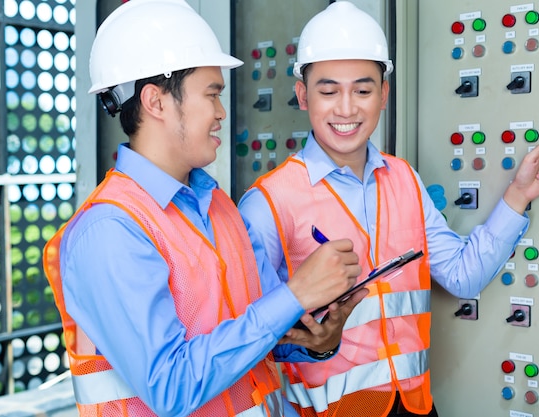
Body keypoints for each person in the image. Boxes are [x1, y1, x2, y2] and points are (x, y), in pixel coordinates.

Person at [237, 2, 539, 417]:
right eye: (328, 91)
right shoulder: (268, 202)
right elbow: (252, 340)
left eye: (363, 90)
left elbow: (462, 276)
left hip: (415, 407)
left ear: (384, 94)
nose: (346, 108)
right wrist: (315, 342)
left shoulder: (404, 180)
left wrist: (518, 197)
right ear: (301, 94)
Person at [42, 1, 365, 416]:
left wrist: (318, 338)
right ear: (156, 102)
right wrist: (295, 293)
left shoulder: (220, 208)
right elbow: (171, 387)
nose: (221, 113)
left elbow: (262, 336)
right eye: (212, 95)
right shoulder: (110, 230)